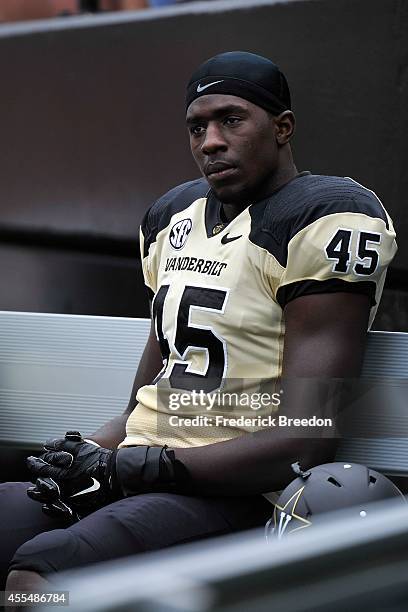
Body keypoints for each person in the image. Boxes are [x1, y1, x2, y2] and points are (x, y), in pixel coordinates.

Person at [1, 51, 397, 595]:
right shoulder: (172, 218)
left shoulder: (322, 218)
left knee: (44, 570)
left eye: (231, 119)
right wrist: (88, 452)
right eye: (196, 126)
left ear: (282, 127)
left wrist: (139, 468)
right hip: (144, 472)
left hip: (241, 490)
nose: (210, 141)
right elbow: (149, 397)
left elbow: (303, 441)